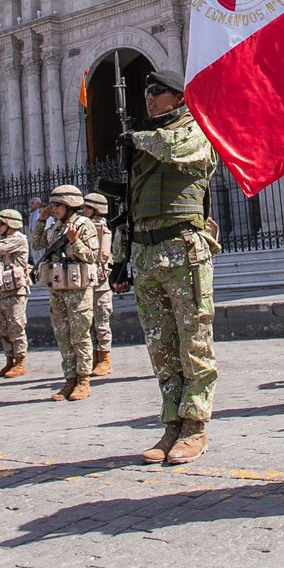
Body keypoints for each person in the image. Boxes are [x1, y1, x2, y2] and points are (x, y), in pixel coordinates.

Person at [113, 70, 219, 465]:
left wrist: (135, 138)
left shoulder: (195, 130)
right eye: (146, 91)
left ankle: (195, 427)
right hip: (146, 252)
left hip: (183, 249)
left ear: (179, 97)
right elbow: (129, 208)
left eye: (157, 91)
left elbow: (177, 148)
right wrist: (122, 260)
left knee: (193, 341)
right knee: (161, 347)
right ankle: (172, 422)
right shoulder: (144, 145)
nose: (149, 97)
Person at [34, 184, 101, 402]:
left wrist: (75, 241)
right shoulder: (54, 228)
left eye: (57, 205)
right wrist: (41, 221)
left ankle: (83, 380)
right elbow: (36, 243)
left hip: (78, 290)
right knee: (62, 335)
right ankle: (69, 379)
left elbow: (92, 256)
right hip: (58, 288)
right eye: (52, 204)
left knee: (80, 335)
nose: (53, 208)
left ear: (69, 206)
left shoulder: (85, 225)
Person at [0, 210, 32, 379]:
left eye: (1, 224)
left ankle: (20, 361)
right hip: (3, 288)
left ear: (11, 225)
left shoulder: (17, 239)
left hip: (16, 289)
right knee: (3, 327)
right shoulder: (6, 240)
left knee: (16, 324)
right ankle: (10, 359)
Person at [83, 192, 115, 377]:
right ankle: (95, 358)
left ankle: (104, 359)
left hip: (100, 282)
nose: (83, 211)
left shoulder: (98, 226)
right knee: (91, 322)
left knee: (101, 321)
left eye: (87, 207)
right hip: (88, 280)